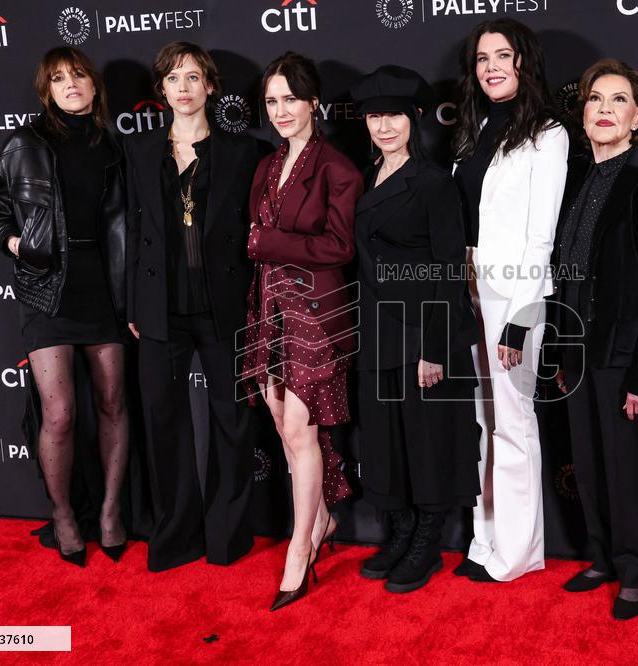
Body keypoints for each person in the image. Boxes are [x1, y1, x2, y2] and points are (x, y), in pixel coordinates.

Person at [0, 47, 129, 567]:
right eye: (59, 79)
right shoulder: (26, 142)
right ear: (48, 90)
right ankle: (64, 514)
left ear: (93, 85)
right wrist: (18, 246)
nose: (71, 85)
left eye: (79, 76)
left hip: (103, 288)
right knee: (60, 415)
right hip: (47, 289)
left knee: (113, 403)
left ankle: (110, 511)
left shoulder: (112, 146)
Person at [551, 59, 638, 619]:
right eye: (595, 99)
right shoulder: (575, 179)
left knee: (626, 471)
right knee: (586, 462)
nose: (604, 109)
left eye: (618, 101)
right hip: (575, 352)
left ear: (637, 118)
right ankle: (602, 555)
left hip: (622, 356)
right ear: (583, 114)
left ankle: (634, 570)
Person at [125, 42, 262, 572]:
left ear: (210, 86)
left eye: (193, 77)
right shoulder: (138, 153)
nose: (183, 88)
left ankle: (228, 535)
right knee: (163, 422)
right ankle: (176, 535)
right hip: (160, 306)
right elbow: (133, 231)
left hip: (223, 306)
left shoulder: (243, 153)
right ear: (161, 90)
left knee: (232, 421)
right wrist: (135, 301)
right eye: (173, 78)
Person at [349, 66, 481, 593]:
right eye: (375, 116)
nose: (384, 126)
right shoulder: (366, 177)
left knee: (426, 442)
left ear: (415, 119)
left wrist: (435, 348)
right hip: (375, 329)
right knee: (384, 440)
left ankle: (426, 544)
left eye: (395, 116)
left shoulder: (433, 183)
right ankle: (401, 533)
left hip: (422, 330)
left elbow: (450, 268)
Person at [243, 51, 363, 610]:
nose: (281, 110)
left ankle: (300, 548)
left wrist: (269, 245)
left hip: (318, 311)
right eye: (272, 101)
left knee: (300, 427)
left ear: (313, 101)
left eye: (291, 98)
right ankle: (324, 521)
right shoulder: (267, 166)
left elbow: (340, 247)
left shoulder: (338, 168)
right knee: (281, 420)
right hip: (268, 308)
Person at [451, 19, 569, 583]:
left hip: (515, 295)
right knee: (483, 420)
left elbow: (540, 235)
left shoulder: (550, 134)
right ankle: (486, 536)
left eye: (504, 55)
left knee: (514, 421)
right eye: (482, 58)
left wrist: (520, 322)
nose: (492, 66)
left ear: (525, 62)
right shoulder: (473, 130)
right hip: (472, 285)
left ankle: (518, 552)